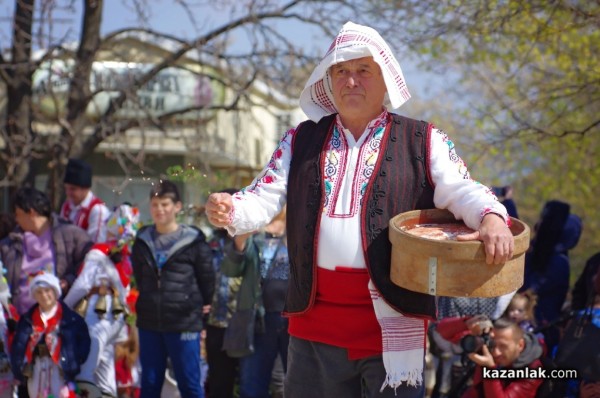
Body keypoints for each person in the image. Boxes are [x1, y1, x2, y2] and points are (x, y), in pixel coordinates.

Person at [206, 21, 514, 398]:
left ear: (385, 79)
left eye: (363, 71)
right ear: (329, 81)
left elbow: (462, 189)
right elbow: (262, 197)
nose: (351, 81)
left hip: (393, 322)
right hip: (313, 325)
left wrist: (491, 216)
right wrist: (231, 209)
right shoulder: (300, 139)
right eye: (341, 71)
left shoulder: (423, 139)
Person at [131, 180, 215, 398]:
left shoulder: (194, 241)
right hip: (150, 322)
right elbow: (140, 279)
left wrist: (201, 312)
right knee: (149, 384)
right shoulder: (141, 241)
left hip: (184, 322)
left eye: (165, 204)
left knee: (189, 384)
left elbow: (208, 281)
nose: (159, 209)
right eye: (155, 204)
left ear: (177, 206)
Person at [63, 204, 140, 397]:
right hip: (117, 316)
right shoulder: (127, 257)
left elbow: (83, 284)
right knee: (105, 368)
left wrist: (63, 308)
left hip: (99, 312)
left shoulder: (99, 253)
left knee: (87, 367)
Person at [221, 208, 290, 398]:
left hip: (295, 320)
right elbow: (230, 270)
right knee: (252, 385)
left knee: (297, 384)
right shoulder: (255, 233)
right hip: (258, 319)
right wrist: (240, 240)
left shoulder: (300, 230)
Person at [0, 187, 93, 316]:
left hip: (59, 319)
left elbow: (91, 262)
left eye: (17, 214)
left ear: (31, 213)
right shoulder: (9, 243)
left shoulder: (70, 235)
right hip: (20, 321)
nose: (16, 219)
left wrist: (69, 280)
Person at [10, 271, 91, 398]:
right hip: (36, 368)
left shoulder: (71, 319)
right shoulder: (27, 320)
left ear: (55, 292)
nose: (44, 296)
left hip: (60, 369)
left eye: (48, 291)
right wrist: (19, 368)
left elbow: (84, 343)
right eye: (39, 292)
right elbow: (17, 346)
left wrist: (74, 361)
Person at [520, 201, 582, 353]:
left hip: (540, 330)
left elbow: (527, 288)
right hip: (524, 323)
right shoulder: (542, 254)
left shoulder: (558, 262)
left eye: (545, 222)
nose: (539, 224)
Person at [437, 317, 545, 397]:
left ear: (520, 345)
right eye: (493, 344)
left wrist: (489, 369)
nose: (496, 353)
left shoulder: (533, 369)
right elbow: (441, 331)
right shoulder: (486, 348)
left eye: (503, 346)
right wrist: (469, 322)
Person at [204, 190, 243, 398]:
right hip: (216, 323)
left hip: (248, 326)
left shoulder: (254, 241)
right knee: (219, 384)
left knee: (250, 385)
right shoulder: (210, 242)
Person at [60, 158, 111, 243]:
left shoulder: (97, 210)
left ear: (85, 188)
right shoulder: (66, 206)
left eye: (73, 189)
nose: (68, 193)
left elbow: (96, 243)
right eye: (66, 188)